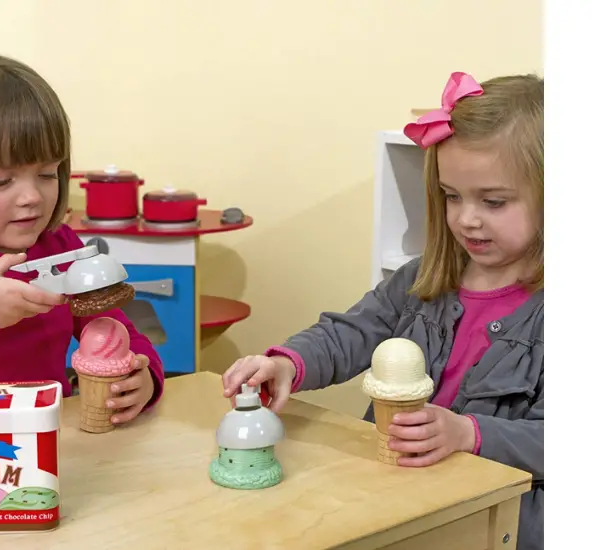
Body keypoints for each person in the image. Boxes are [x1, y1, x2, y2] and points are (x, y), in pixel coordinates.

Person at [222, 72, 543, 549]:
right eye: (451, 196)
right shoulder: (423, 277)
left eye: (493, 201)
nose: (466, 218)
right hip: (395, 504)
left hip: (494, 525)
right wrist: (287, 363)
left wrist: (468, 434)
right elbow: (351, 331)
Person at [0, 54, 164, 424]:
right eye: (0, 181)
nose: (33, 197)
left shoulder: (60, 246)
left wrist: (146, 377)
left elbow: (118, 331)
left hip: (43, 446)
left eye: (47, 174)